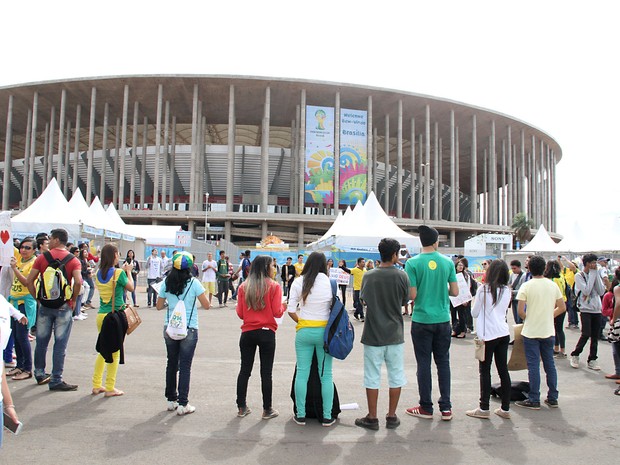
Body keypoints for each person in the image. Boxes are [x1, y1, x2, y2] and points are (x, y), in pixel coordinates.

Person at [355, 238, 410, 430]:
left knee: (372, 375)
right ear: (395, 254)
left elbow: (364, 300)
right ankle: (392, 416)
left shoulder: (369, 276)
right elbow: (405, 301)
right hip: (395, 333)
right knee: (396, 375)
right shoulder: (402, 276)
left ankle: (372, 417)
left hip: (373, 333)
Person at [404, 225, 458, 421]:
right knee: (443, 362)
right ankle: (446, 408)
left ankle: (426, 407)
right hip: (443, 319)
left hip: (421, 319)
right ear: (436, 242)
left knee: (424, 364)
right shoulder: (447, 262)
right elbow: (455, 292)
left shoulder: (412, 263)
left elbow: (413, 295)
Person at [26, 228, 82, 391]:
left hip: (45, 305)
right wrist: (73, 299)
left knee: (41, 341)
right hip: (63, 306)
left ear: (57, 240)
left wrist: (38, 298)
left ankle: (39, 373)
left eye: (50, 238)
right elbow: (78, 282)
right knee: (60, 343)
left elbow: (30, 281)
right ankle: (56, 378)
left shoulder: (42, 258)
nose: (48, 241)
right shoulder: (73, 260)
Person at [157, 252, 210, 415]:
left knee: (171, 363)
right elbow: (206, 305)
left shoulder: (166, 282)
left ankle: (171, 400)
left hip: (170, 327)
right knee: (185, 366)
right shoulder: (194, 283)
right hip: (189, 328)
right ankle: (183, 404)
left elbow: (159, 306)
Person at [287, 252, 336, 426]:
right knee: (326, 375)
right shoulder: (331, 283)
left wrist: (303, 322)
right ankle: (327, 416)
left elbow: (290, 309)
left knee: (302, 373)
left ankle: (300, 415)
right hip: (324, 334)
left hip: (304, 332)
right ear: (325, 265)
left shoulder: (299, 282)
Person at [235, 256, 284, 420]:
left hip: (247, 332)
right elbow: (277, 312)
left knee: (244, 370)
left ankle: (241, 407)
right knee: (266, 372)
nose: (274, 268)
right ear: (266, 267)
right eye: (272, 265)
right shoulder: (274, 286)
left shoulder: (243, 286)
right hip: (266, 332)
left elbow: (240, 313)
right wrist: (283, 306)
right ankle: (267, 409)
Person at [515, 255, 565, 409]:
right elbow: (562, 307)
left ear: (529, 269)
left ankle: (534, 398)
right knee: (550, 364)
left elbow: (520, 311)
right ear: (545, 268)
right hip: (548, 330)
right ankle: (553, 396)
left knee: (533, 366)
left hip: (531, 331)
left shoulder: (527, 286)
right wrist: (549, 315)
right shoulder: (552, 285)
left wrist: (528, 318)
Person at [466, 260, 512, 420]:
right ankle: (505, 408)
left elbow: (474, 313)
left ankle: (484, 407)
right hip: (503, 332)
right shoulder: (507, 290)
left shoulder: (483, 290)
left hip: (487, 335)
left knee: (485, 372)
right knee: (502, 370)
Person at [92, 243, 134, 398]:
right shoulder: (118, 273)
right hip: (115, 316)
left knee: (103, 350)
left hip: (101, 315)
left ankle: (96, 384)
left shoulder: (98, 273)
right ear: (114, 255)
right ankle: (110, 387)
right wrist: (128, 272)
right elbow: (131, 287)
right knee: (115, 352)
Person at [569, 253, 605, 370]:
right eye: (593, 262)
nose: (595, 265)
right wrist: (593, 274)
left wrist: (596, 275)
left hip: (597, 309)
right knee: (586, 333)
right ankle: (575, 354)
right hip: (585, 309)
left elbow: (600, 291)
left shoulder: (596, 273)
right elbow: (586, 291)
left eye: (595, 262)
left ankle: (593, 359)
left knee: (595, 335)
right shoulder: (579, 276)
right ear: (587, 264)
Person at [7, 237, 37, 380]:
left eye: (28, 248)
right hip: (13, 303)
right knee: (15, 336)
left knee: (22, 336)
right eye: (22, 247)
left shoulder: (33, 262)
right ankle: (19, 365)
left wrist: (14, 268)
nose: (24, 250)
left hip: (25, 303)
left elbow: (26, 282)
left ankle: (27, 368)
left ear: (34, 250)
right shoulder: (19, 259)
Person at [543, 260, 567, 357]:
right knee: (558, 328)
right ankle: (557, 348)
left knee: (557, 328)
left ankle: (562, 350)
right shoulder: (561, 276)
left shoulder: (553, 280)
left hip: (556, 305)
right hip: (563, 302)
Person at [450, 259, 476, 339]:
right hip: (453, 298)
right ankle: (455, 330)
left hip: (463, 299)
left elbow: (468, 287)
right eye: (459, 265)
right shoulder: (452, 275)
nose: (460, 267)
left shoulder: (466, 276)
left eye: (462, 265)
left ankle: (462, 331)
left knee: (462, 315)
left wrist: (466, 299)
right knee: (453, 314)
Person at [80, 243, 97, 309]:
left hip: (88, 275)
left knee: (91, 287)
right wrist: (88, 271)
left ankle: (87, 301)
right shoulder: (81, 260)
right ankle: (83, 303)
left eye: (87, 247)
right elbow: (82, 270)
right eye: (84, 247)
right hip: (84, 276)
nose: (86, 248)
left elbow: (95, 260)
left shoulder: (87, 259)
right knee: (85, 288)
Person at [509, 260, 525, 324]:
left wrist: (512, 291)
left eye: (515, 268)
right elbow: (509, 283)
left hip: (519, 299)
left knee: (519, 318)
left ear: (519, 267)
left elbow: (523, 290)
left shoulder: (523, 276)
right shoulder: (512, 274)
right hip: (513, 298)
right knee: (515, 318)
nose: (513, 270)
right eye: (512, 268)